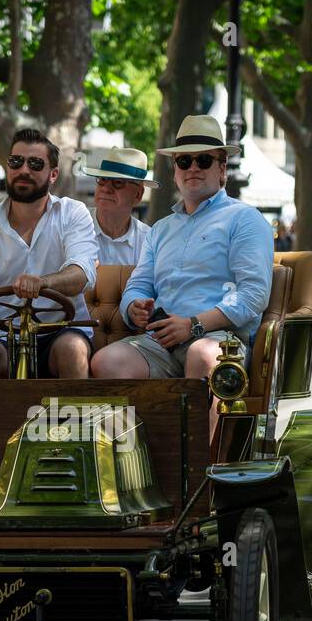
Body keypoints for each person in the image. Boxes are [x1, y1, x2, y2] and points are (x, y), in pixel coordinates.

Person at [90, 115, 273, 436]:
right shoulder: (161, 230)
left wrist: (194, 325)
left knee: (202, 354)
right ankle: (139, 467)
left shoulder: (244, 219)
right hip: (160, 341)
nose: (193, 168)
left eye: (203, 159)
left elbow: (253, 295)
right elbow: (138, 286)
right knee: (107, 362)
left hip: (220, 340)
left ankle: (204, 472)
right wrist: (134, 308)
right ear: (175, 170)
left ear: (222, 167)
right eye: (184, 160)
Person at [0, 127, 98, 380]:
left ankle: (76, 421)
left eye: (35, 164)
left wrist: (42, 282)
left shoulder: (74, 214)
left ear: (53, 174)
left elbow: (81, 274)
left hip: (61, 331)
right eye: (16, 161)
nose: (23, 170)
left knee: (73, 349)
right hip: (0, 335)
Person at [82, 146, 157, 265]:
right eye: (102, 179)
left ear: (138, 194)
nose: (106, 188)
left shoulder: (149, 241)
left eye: (118, 182)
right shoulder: (75, 227)